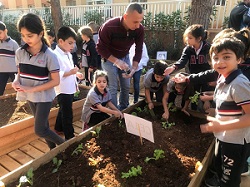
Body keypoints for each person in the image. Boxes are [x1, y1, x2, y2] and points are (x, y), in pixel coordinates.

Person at [200, 37, 250, 187]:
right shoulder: (223, 78)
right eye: (216, 58)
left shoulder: (239, 84)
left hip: (236, 142)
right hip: (223, 137)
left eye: (226, 57)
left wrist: (221, 125)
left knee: (230, 178)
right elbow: (229, 102)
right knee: (220, 167)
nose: (220, 62)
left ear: (239, 59)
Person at [12, 13, 65, 149]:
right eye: (23, 35)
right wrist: (16, 82)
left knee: (40, 130)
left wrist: (32, 89)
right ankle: (54, 151)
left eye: (29, 35)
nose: (25, 39)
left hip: (43, 97)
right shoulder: (19, 52)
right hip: (30, 96)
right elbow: (20, 73)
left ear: (40, 33)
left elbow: (55, 81)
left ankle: (66, 145)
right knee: (44, 127)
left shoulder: (50, 55)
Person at [96, 2, 144, 110]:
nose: (138, 25)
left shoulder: (139, 29)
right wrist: (116, 61)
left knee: (126, 86)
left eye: (140, 21)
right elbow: (100, 48)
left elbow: (139, 49)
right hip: (109, 58)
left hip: (125, 57)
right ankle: (114, 112)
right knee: (112, 87)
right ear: (126, 16)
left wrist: (134, 68)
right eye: (135, 22)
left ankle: (124, 108)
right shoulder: (109, 26)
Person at [164, 24, 212, 110]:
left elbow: (213, 66)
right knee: (194, 97)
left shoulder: (208, 49)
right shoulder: (188, 49)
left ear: (199, 38)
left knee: (206, 101)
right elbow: (182, 61)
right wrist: (173, 67)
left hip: (206, 78)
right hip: (193, 77)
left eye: (190, 38)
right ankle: (193, 113)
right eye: (187, 37)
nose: (187, 40)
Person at [53, 26, 83, 140]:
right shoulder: (55, 55)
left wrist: (75, 74)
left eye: (74, 43)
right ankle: (69, 137)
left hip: (69, 87)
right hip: (62, 88)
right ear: (60, 41)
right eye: (70, 43)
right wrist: (71, 72)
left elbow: (69, 69)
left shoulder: (68, 53)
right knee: (67, 113)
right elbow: (56, 73)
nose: (73, 46)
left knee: (64, 108)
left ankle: (58, 128)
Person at [0, 21, 19, 96]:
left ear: (5, 31)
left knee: (18, 87)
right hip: (1, 71)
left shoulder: (13, 43)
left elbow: (19, 57)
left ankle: (22, 103)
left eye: (0, 32)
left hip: (13, 70)